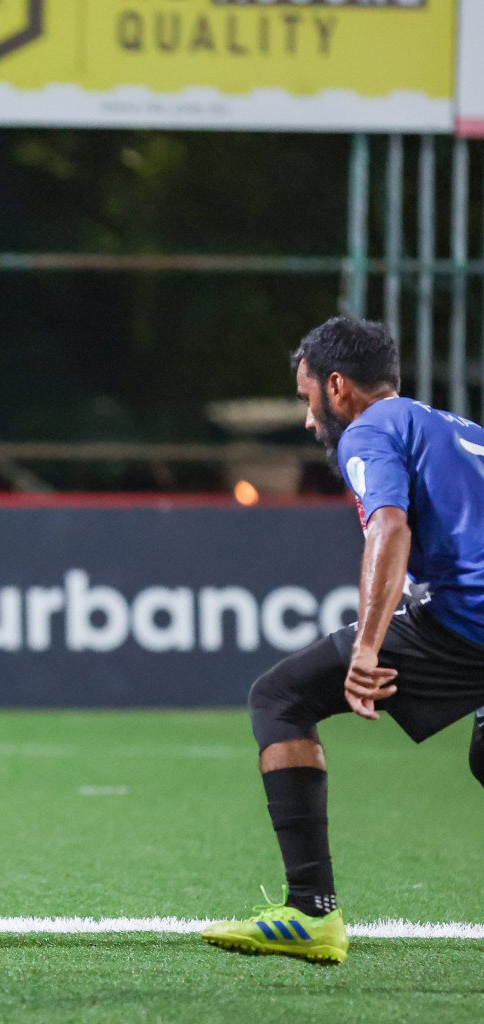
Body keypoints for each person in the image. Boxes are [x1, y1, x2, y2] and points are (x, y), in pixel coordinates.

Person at [202, 316, 484, 965]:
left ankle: (310, 912)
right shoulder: (458, 429)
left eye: (307, 400)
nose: (309, 419)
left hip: (471, 621)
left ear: (337, 386)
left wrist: (368, 646)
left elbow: (389, 528)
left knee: (280, 699)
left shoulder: (372, 428)